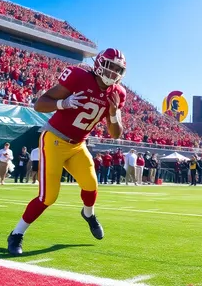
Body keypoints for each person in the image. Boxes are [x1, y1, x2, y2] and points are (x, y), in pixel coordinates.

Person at [7, 48, 127, 256]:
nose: (114, 74)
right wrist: (64, 103)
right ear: (99, 64)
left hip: (78, 144)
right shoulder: (79, 76)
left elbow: (115, 133)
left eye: (118, 70)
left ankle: (88, 214)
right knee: (48, 197)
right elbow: (40, 104)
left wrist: (114, 114)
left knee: (91, 185)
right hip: (54, 139)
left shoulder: (117, 93)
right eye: (111, 67)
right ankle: (16, 234)